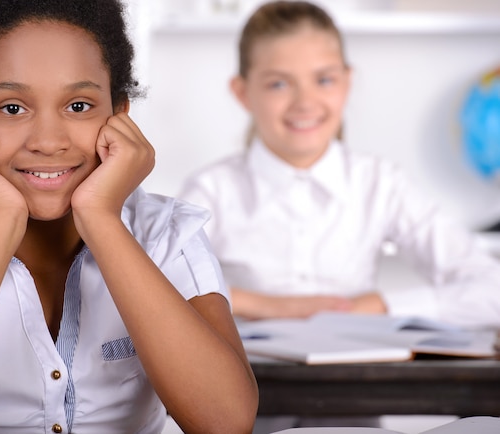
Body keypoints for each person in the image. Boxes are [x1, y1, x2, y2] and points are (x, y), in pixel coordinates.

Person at [0, 1, 259, 433]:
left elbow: (226, 422)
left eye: (78, 106)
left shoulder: (166, 234)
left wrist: (101, 218)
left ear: (118, 117)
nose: (49, 141)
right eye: (13, 108)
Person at [179, 1, 500, 328]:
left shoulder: (380, 182)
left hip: (357, 374)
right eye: (278, 83)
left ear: (347, 82)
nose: (305, 102)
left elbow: (492, 291)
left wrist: (375, 305)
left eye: (324, 80)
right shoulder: (211, 190)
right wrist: (269, 306)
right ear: (242, 92)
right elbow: (158, 293)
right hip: (246, 375)